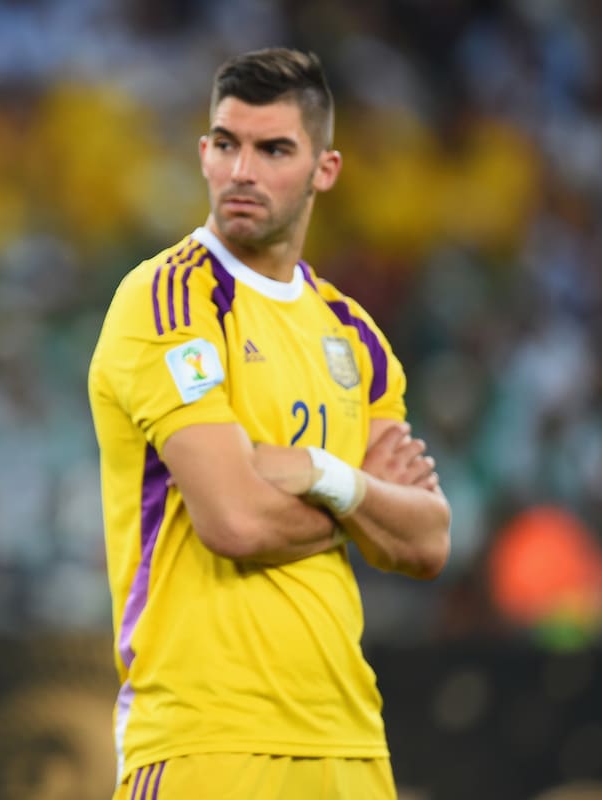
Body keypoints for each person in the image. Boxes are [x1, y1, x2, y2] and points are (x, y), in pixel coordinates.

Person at [87, 48, 451, 799]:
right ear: (203, 153)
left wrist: (326, 476)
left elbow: (428, 542)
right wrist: (364, 505)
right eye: (226, 144)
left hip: (350, 737)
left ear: (325, 169)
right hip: (206, 739)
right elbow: (236, 521)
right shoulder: (166, 302)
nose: (242, 170)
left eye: (273, 149)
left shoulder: (356, 337)